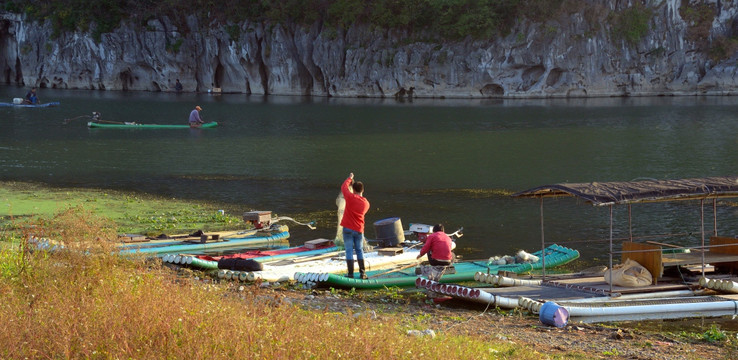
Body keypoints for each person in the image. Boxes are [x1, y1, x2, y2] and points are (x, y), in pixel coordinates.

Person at [340, 172, 370, 279]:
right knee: (359, 250)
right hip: (358, 229)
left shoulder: (350, 197)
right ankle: (362, 273)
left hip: (347, 228)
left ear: (353, 189)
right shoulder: (366, 203)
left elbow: (343, 187)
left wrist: (349, 178)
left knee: (348, 251)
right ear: (363, 190)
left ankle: (350, 274)